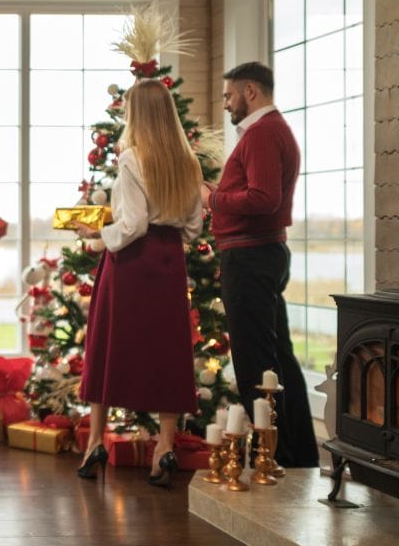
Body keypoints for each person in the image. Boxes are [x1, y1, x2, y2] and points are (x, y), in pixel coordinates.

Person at [74, 79, 204, 487]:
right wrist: (169, 243)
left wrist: (96, 238)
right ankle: (164, 450)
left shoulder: (132, 158)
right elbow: (193, 228)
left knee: (108, 344)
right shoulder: (188, 162)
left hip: (130, 264)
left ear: (136, 114)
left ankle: (95, 441)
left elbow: (131, 225)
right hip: (168, 264)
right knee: (169, 351)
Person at [200, 61, 319, 468]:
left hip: (251, 257)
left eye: (229, 95)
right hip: (259, 253)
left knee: (255, 359)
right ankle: (296, 451)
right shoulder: (269, 131)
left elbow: (264, 199)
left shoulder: (263, 133)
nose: (227, 103)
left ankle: (274, 454)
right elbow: (256, 194)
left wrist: (212, 199)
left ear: (251, 91)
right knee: (278, 356)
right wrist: (219, 193)